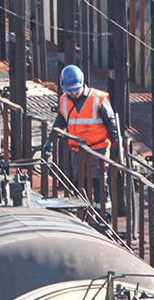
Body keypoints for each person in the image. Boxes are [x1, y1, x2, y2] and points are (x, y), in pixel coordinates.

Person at [41, 64, 124, 212]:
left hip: (98, 149)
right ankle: (84, 212)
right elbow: (60, 121)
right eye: (69, 91)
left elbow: (112, 125)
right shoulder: (64, 100)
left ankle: (104, 214)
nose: (72, 94)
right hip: (77, 150)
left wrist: (118, 147)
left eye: (75, 90)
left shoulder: (98, 98)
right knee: (80, 182)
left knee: (99, 183)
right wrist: (49, 141)